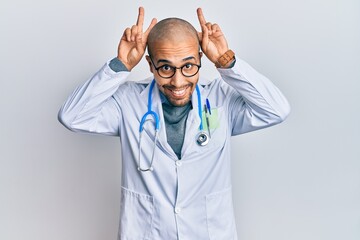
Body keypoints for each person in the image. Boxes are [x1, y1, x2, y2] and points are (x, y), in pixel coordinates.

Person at [58, 6, 290, 240]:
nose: (178, 82)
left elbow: (276, 110)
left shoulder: (221, 99)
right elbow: (72, 116)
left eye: (188, 66)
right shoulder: (128, 103)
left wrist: (226, 61)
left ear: (201, 59)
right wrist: (121, 65)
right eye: (166, 67)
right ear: (150, 65)